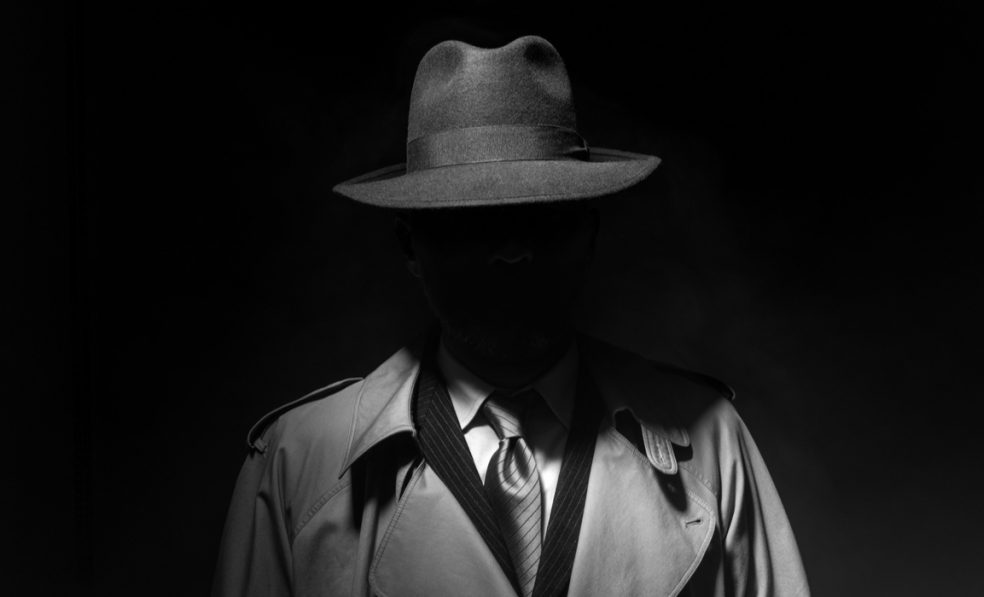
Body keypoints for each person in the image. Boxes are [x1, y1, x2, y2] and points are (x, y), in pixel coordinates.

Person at [212, 35, 810, 597]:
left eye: (544, 215)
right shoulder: (295, 464)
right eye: (472, 221)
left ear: (589, 234)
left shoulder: (709, 440)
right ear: (409, 246)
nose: (513, 249)